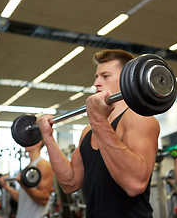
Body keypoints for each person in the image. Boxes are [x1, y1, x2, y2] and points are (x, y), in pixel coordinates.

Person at [36, 49, 160, 217]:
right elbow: (70, 183)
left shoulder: (140, 119)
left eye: (105, 76)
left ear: (126, 78)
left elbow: (135, 184)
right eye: (96, 76)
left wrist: (98, 120)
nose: (96, 83)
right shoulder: (88, 130)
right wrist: (48, 138)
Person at [0, 141, 53, 218]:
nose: (25, 141)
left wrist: (23, 185)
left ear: (39, 143)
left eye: (30, 139)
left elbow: (43, 200)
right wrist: (6, 187)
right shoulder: (28, 166)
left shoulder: (43, 165)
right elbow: (22, 199)